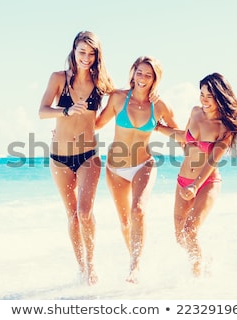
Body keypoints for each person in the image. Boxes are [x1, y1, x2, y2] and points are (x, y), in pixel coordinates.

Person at [156, 72, 237, 277]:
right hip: (183, 179)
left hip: (207, 182)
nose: (204, 100)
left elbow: (213, 160)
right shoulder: (195, 113)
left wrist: (195, 186)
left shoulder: (225, 128)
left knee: (190, 230)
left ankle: (197, 280)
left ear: (220, 96)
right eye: (201, 94)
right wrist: (159, 128)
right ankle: (204, 259)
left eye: (209, 95)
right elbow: (185, 138)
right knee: (180, 236)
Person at [38, 31, 114, 285]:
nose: (86, 58)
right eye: (82, 52)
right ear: (74, 50)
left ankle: (92, 267)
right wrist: (67, 111)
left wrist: (151, 95)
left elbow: (122, 97)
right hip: (59, 157)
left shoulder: (101, 82)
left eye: (91, 54)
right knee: (71, 214)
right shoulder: (59, 78)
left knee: (84, 212)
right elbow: (43, 111)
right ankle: (81, 268)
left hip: (88, 155)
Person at [95, 56, 178, 283]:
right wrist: (63, 131)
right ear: (133, 73)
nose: (142, 78)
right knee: (125, 222)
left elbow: (178, 133)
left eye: (148, 75)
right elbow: (96, 124)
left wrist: (160, 127)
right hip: (116, 169)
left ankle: (136, 267)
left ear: (155, 80)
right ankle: (134, 257)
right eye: (139, 72)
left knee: (138, 210)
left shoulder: (159, 106)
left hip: (144, 164)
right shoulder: (118, 98)